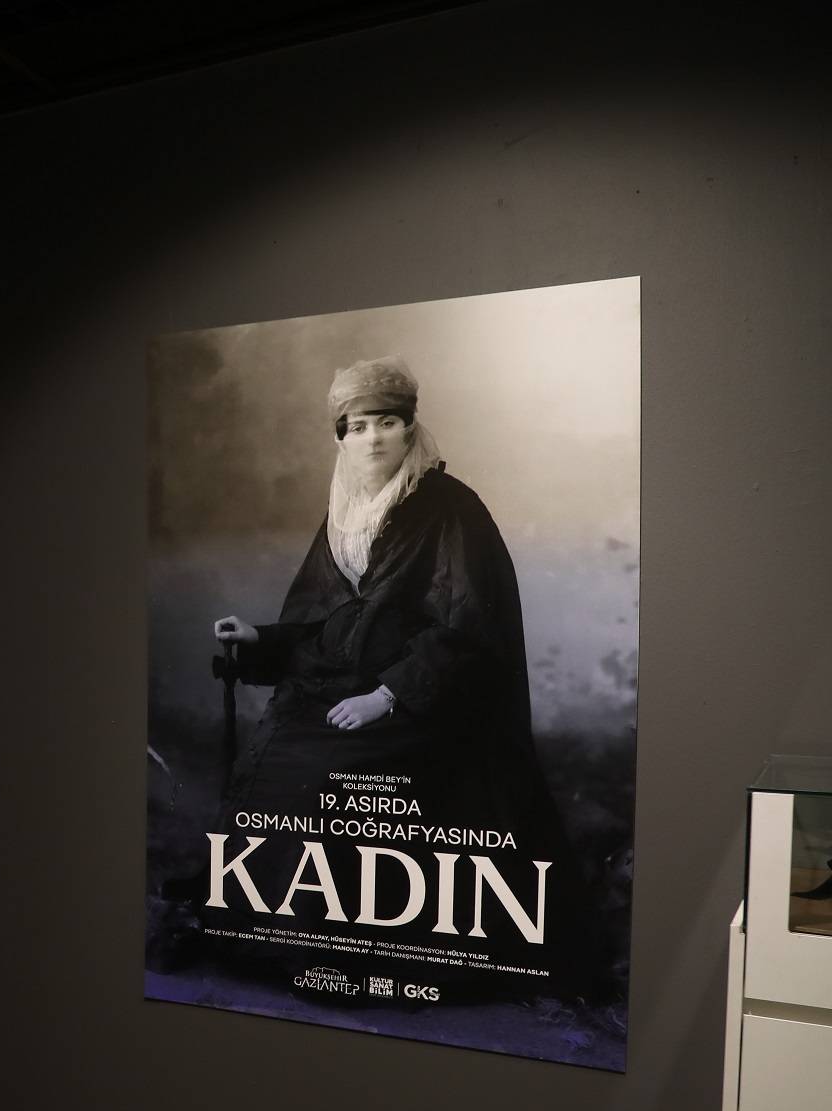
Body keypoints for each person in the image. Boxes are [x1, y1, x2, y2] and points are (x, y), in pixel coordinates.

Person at [208, 355, 592, 987]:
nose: (373, 439)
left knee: (326, 773)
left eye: (386, 422)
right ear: (341, 438)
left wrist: (386, 696)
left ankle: (354, 954)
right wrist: (259, 638)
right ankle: (276, 940)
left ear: (410, 427)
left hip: (430, 699)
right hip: (345, 684)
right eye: (357, 427)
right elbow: (326, 618)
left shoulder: (450, 506)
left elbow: (467, 626)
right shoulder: (345, 510)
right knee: (276, 757)